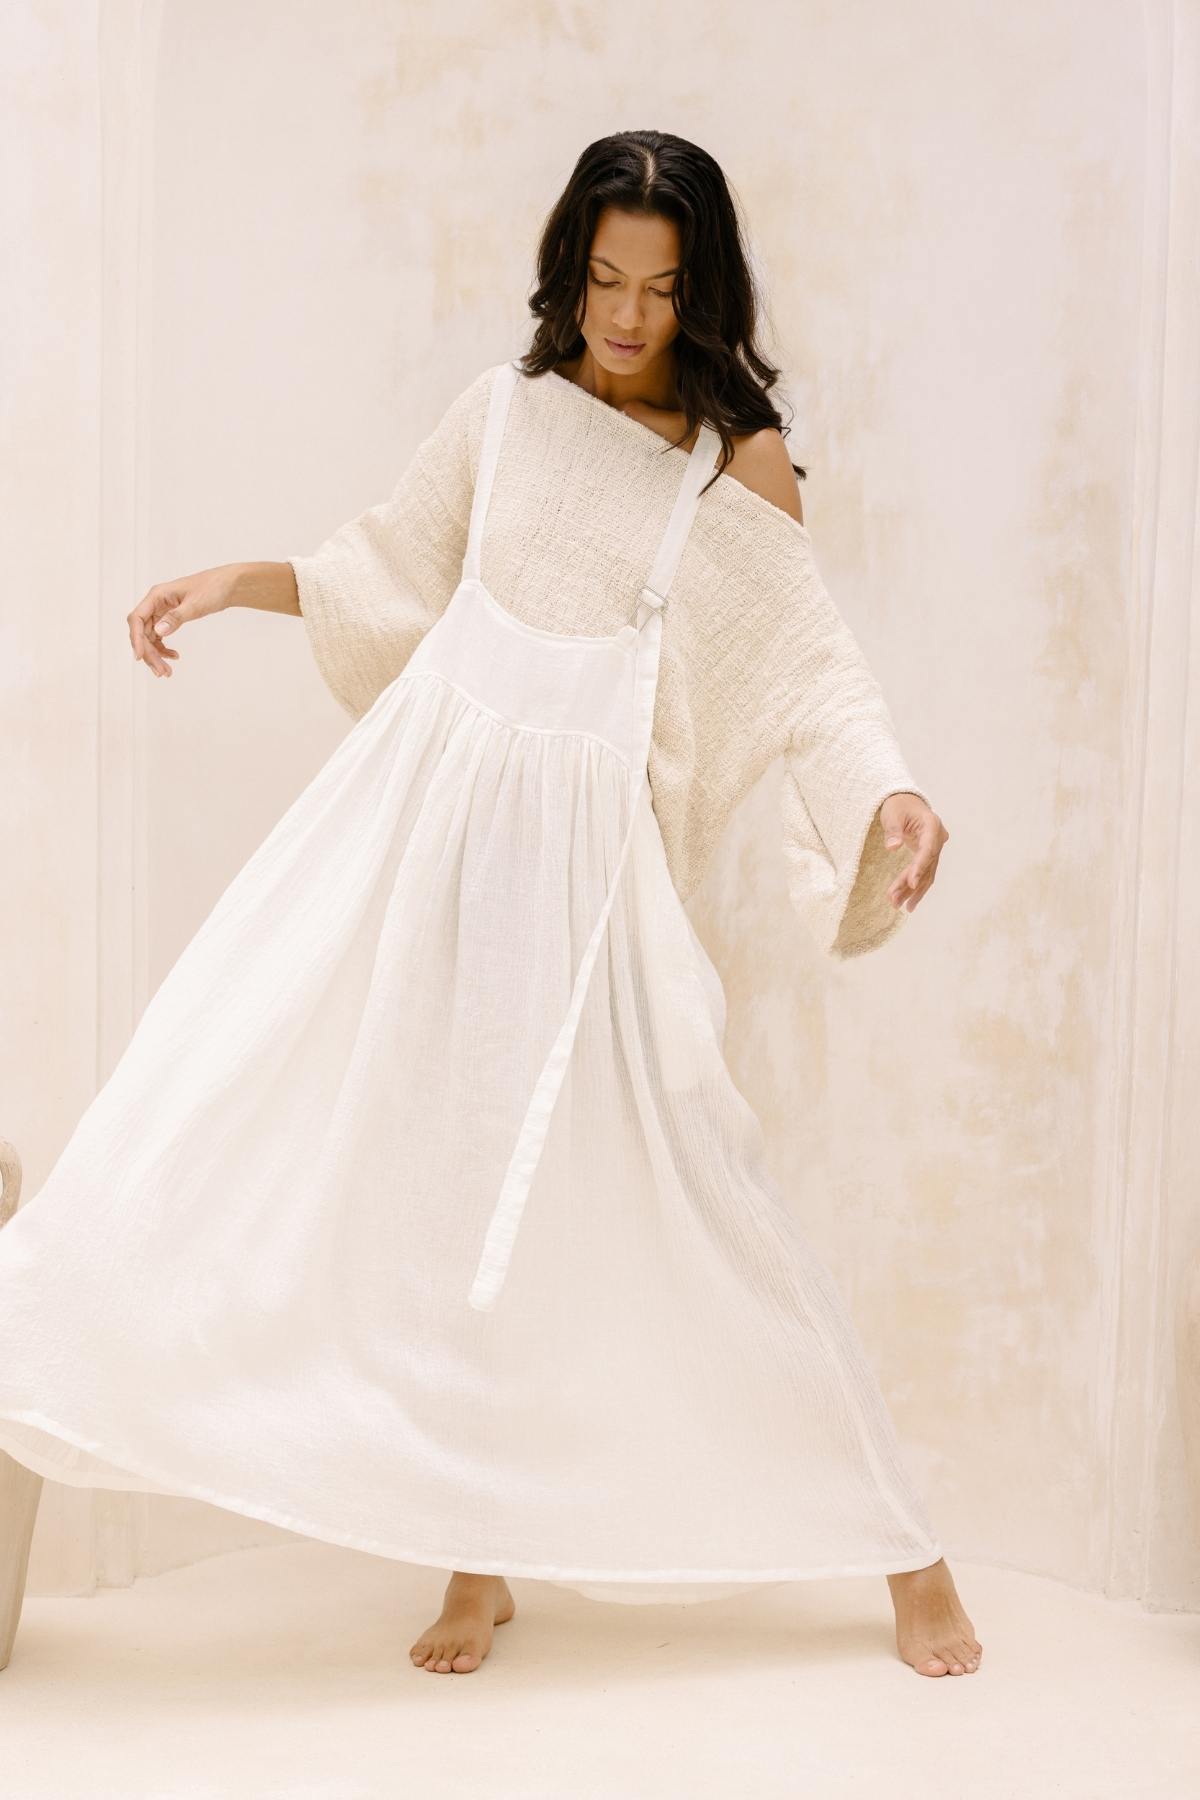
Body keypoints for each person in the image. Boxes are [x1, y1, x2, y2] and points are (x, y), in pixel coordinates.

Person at [0, 130, 978, 1680]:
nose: (625, 315)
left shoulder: (740, 462)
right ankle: (473, 1567)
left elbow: (810, 673)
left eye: (658, 287)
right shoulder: (509, 417)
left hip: (594, 883)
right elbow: (386, 570)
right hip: (427, 842)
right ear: (567, 270)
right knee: (409, 1172)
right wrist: (230, 584)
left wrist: (888, 796)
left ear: (701, 289)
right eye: (601, 280)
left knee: (715, 1186)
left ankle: (903, 1545)